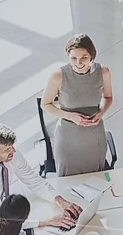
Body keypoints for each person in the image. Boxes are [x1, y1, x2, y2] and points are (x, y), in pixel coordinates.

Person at [41, 34, 113, 177]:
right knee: (68, 181)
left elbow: (108, 97)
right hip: (68, 138)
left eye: (84, 58)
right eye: (73, 58)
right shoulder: (58, 76)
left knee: (96, 179)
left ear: (91, 56)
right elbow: (45, 104)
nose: (78, 63)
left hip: (94, 136)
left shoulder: (103, 72)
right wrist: (69, 116)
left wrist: (101, 112)